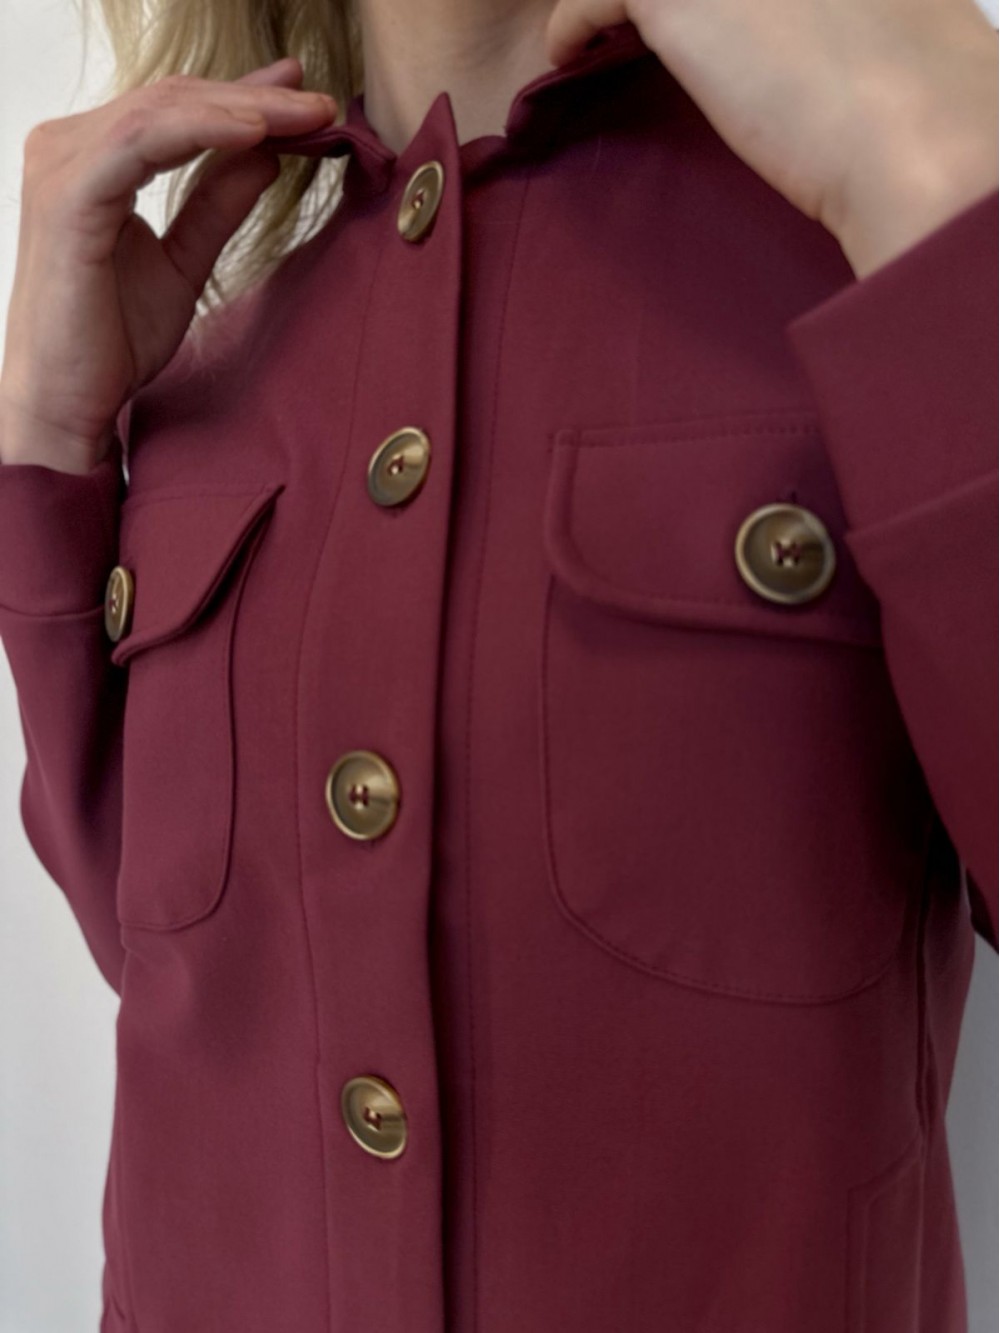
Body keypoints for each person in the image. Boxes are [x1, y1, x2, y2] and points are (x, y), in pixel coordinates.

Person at [0, 0, 996, 1329]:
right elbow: (174, 964)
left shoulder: (878, 248)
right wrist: (43, 442)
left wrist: (946, 182)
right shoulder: (207, 352)